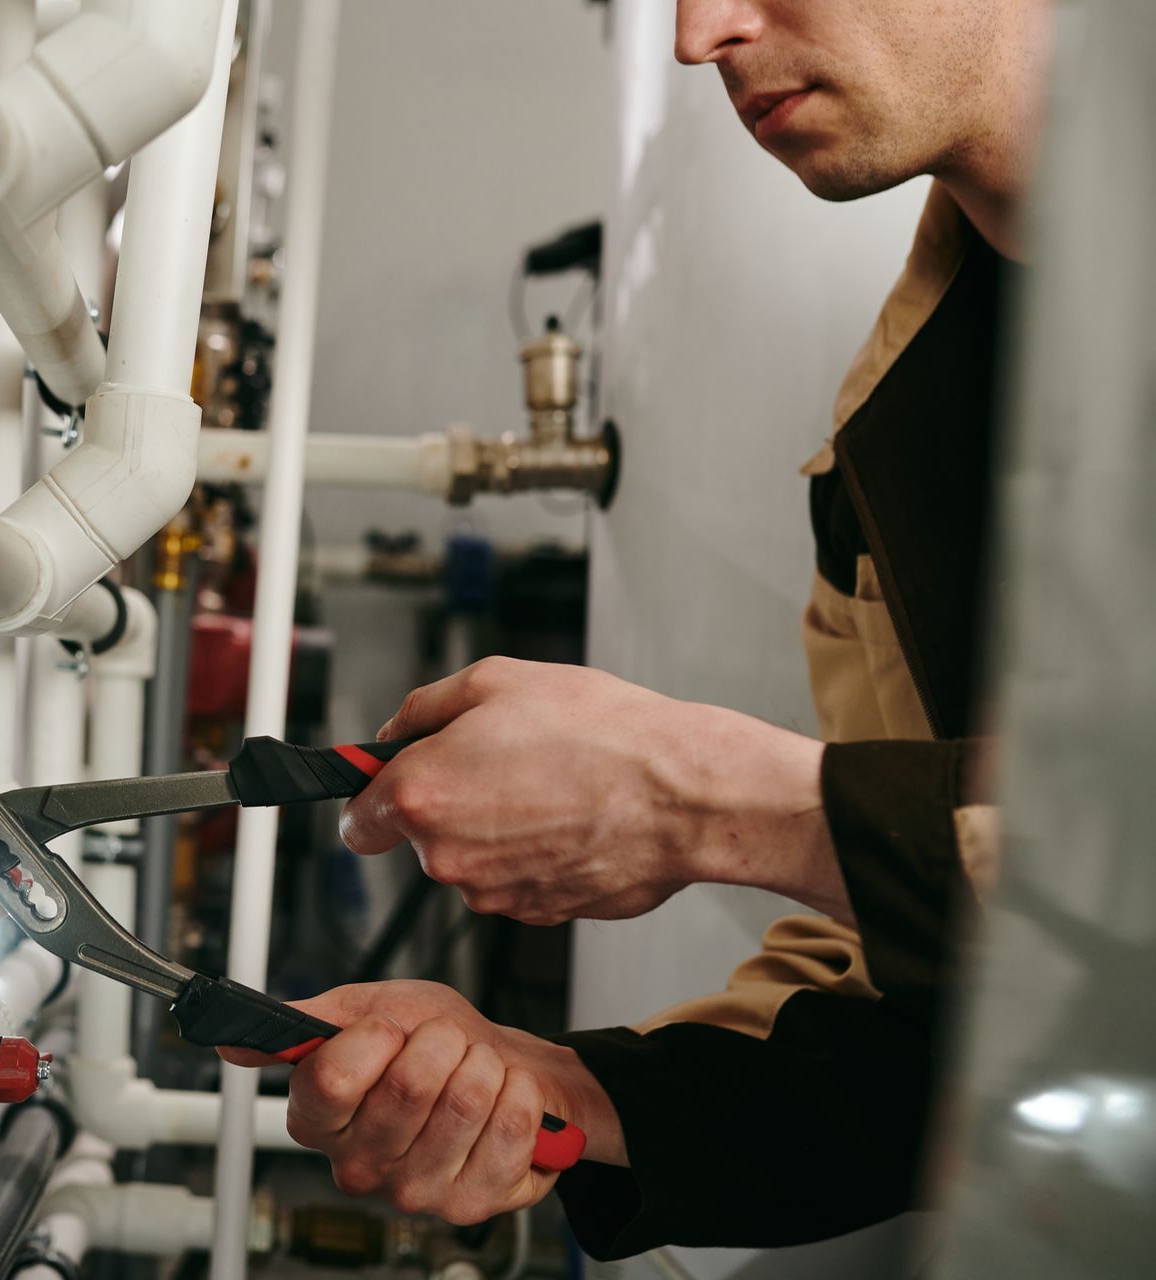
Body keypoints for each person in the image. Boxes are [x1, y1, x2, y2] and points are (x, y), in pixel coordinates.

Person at [221, 0, 1050, 1256]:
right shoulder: (892, 444)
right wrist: (558, 1091)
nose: (695, 36)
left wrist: (701, 798)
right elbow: (928, 998)